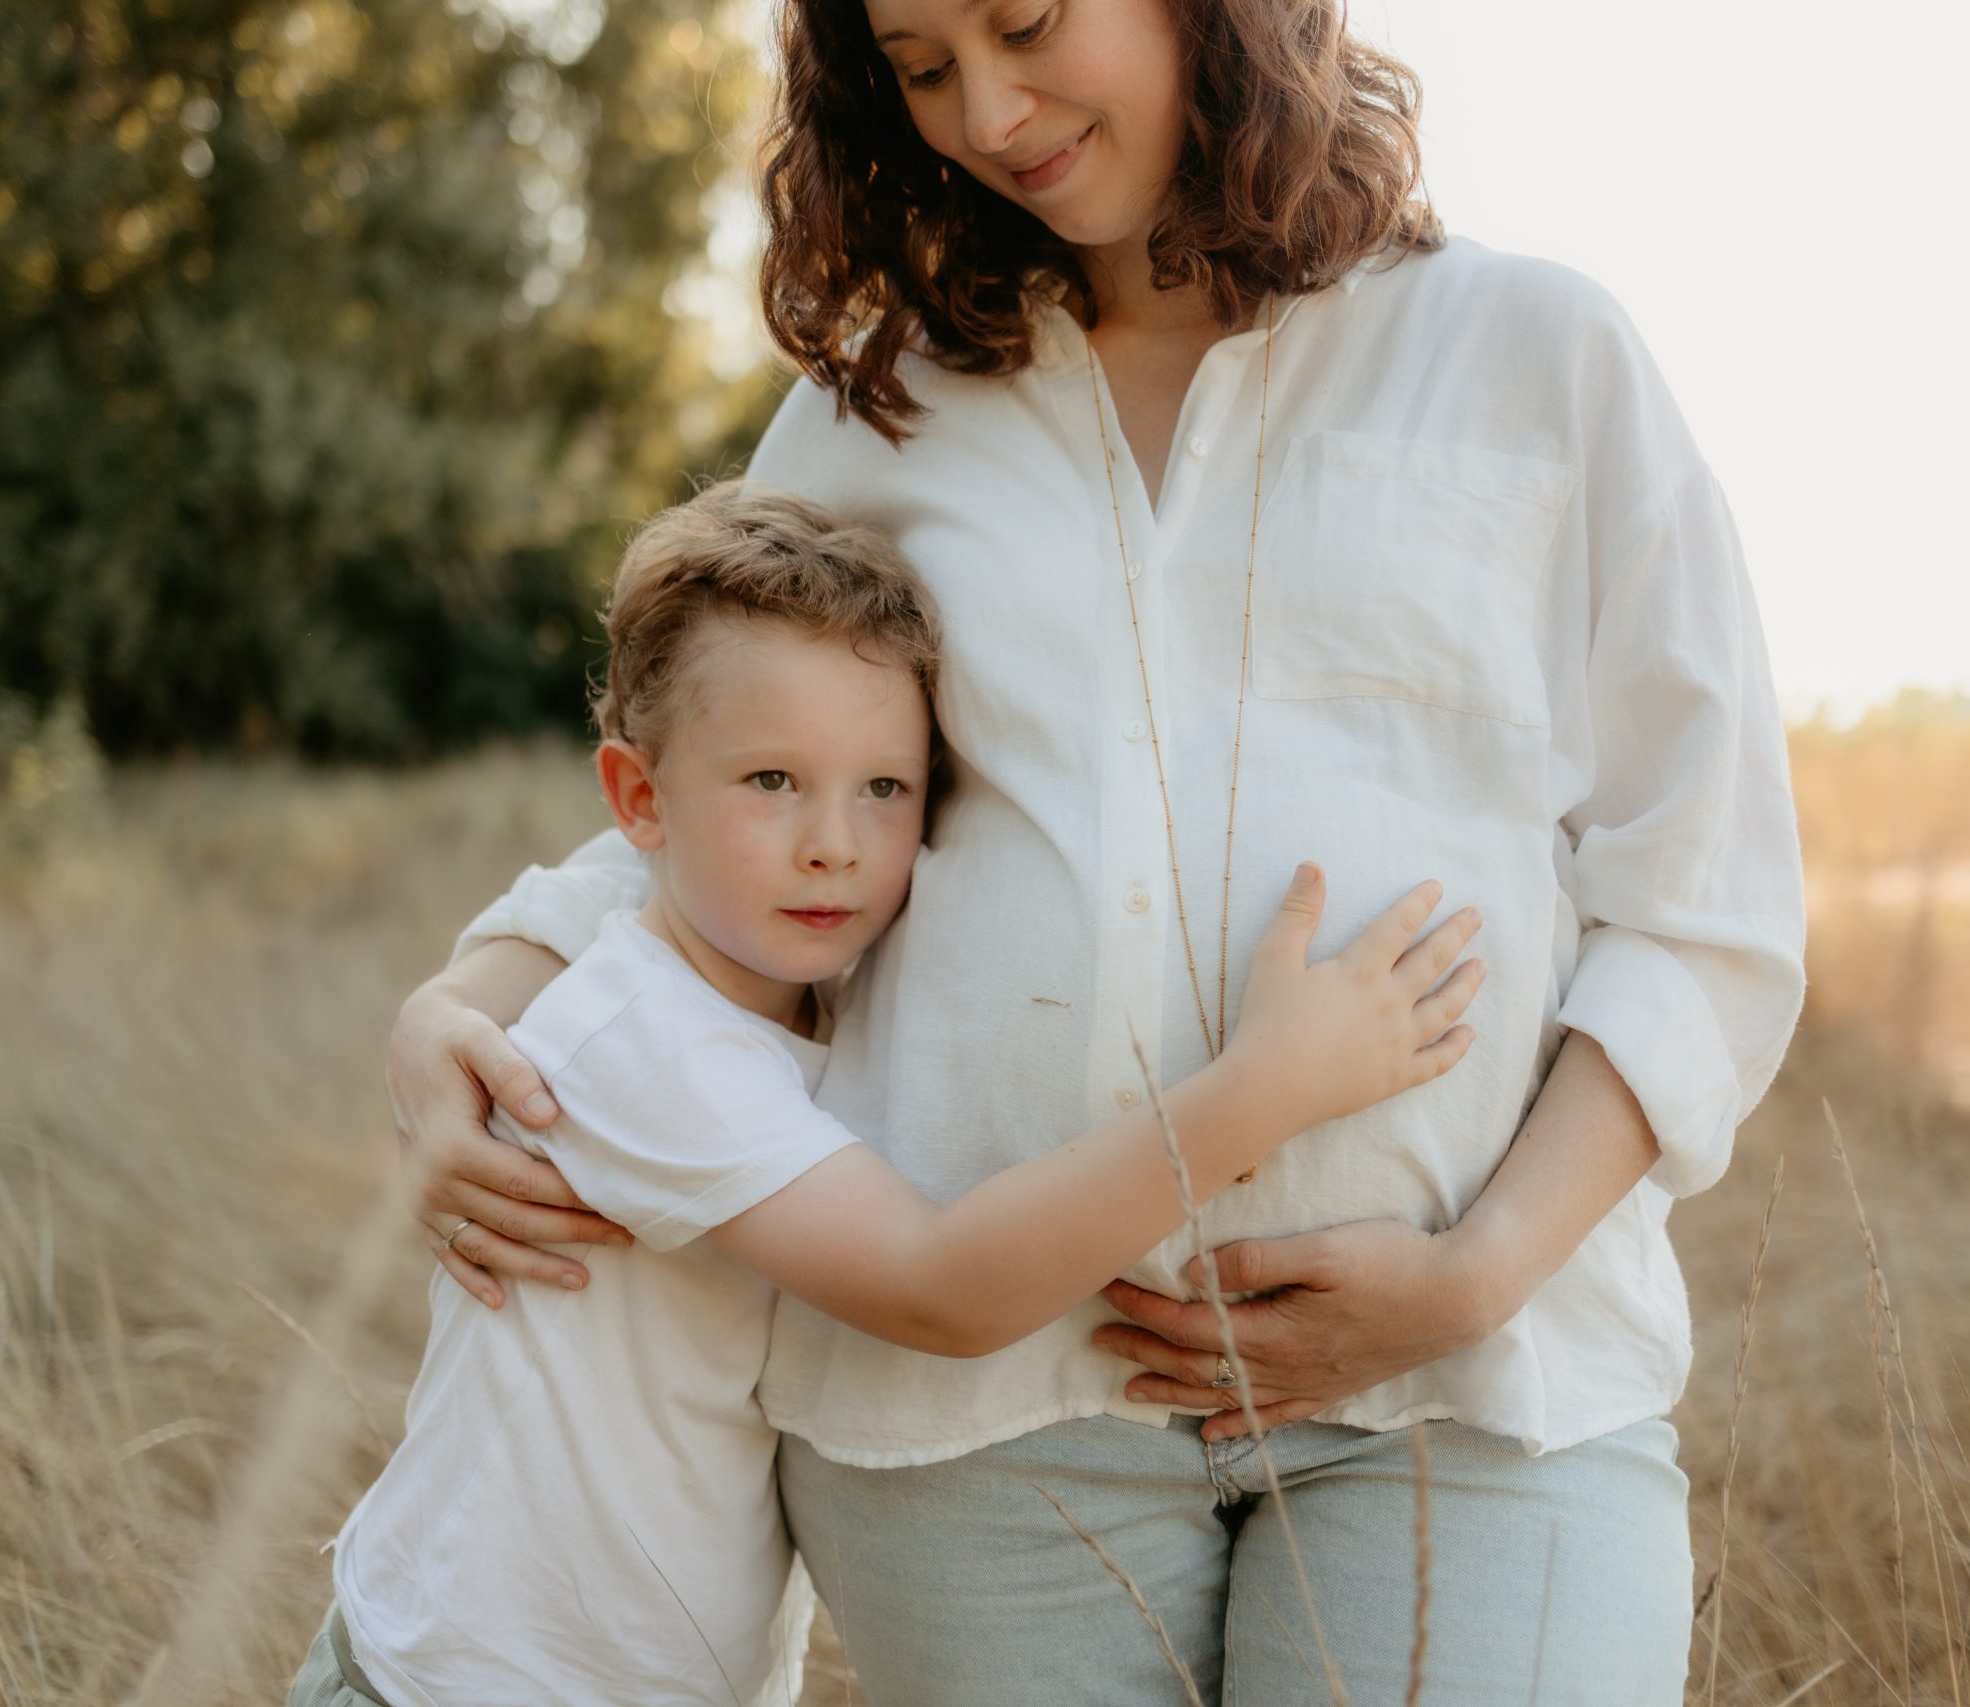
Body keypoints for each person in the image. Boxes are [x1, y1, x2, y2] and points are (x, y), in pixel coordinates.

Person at [388, 0, 1808, 1699]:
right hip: (980, 1436)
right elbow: (724, 798)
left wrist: (1470, 1276)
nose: (986, 110)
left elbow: (1706, 899)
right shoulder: (871, 416)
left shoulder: (1533, 353)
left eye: (1027, 22)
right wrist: (471, 991)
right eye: (920, 68)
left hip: (1477, 1395)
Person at [294, 482, 1485, 1707]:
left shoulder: (805, 991)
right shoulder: (640, 1042)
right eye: (771, 782)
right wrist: (1271, 1086)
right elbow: (940, 1286)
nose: (834, 844)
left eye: (884, 789)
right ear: (638, 799)